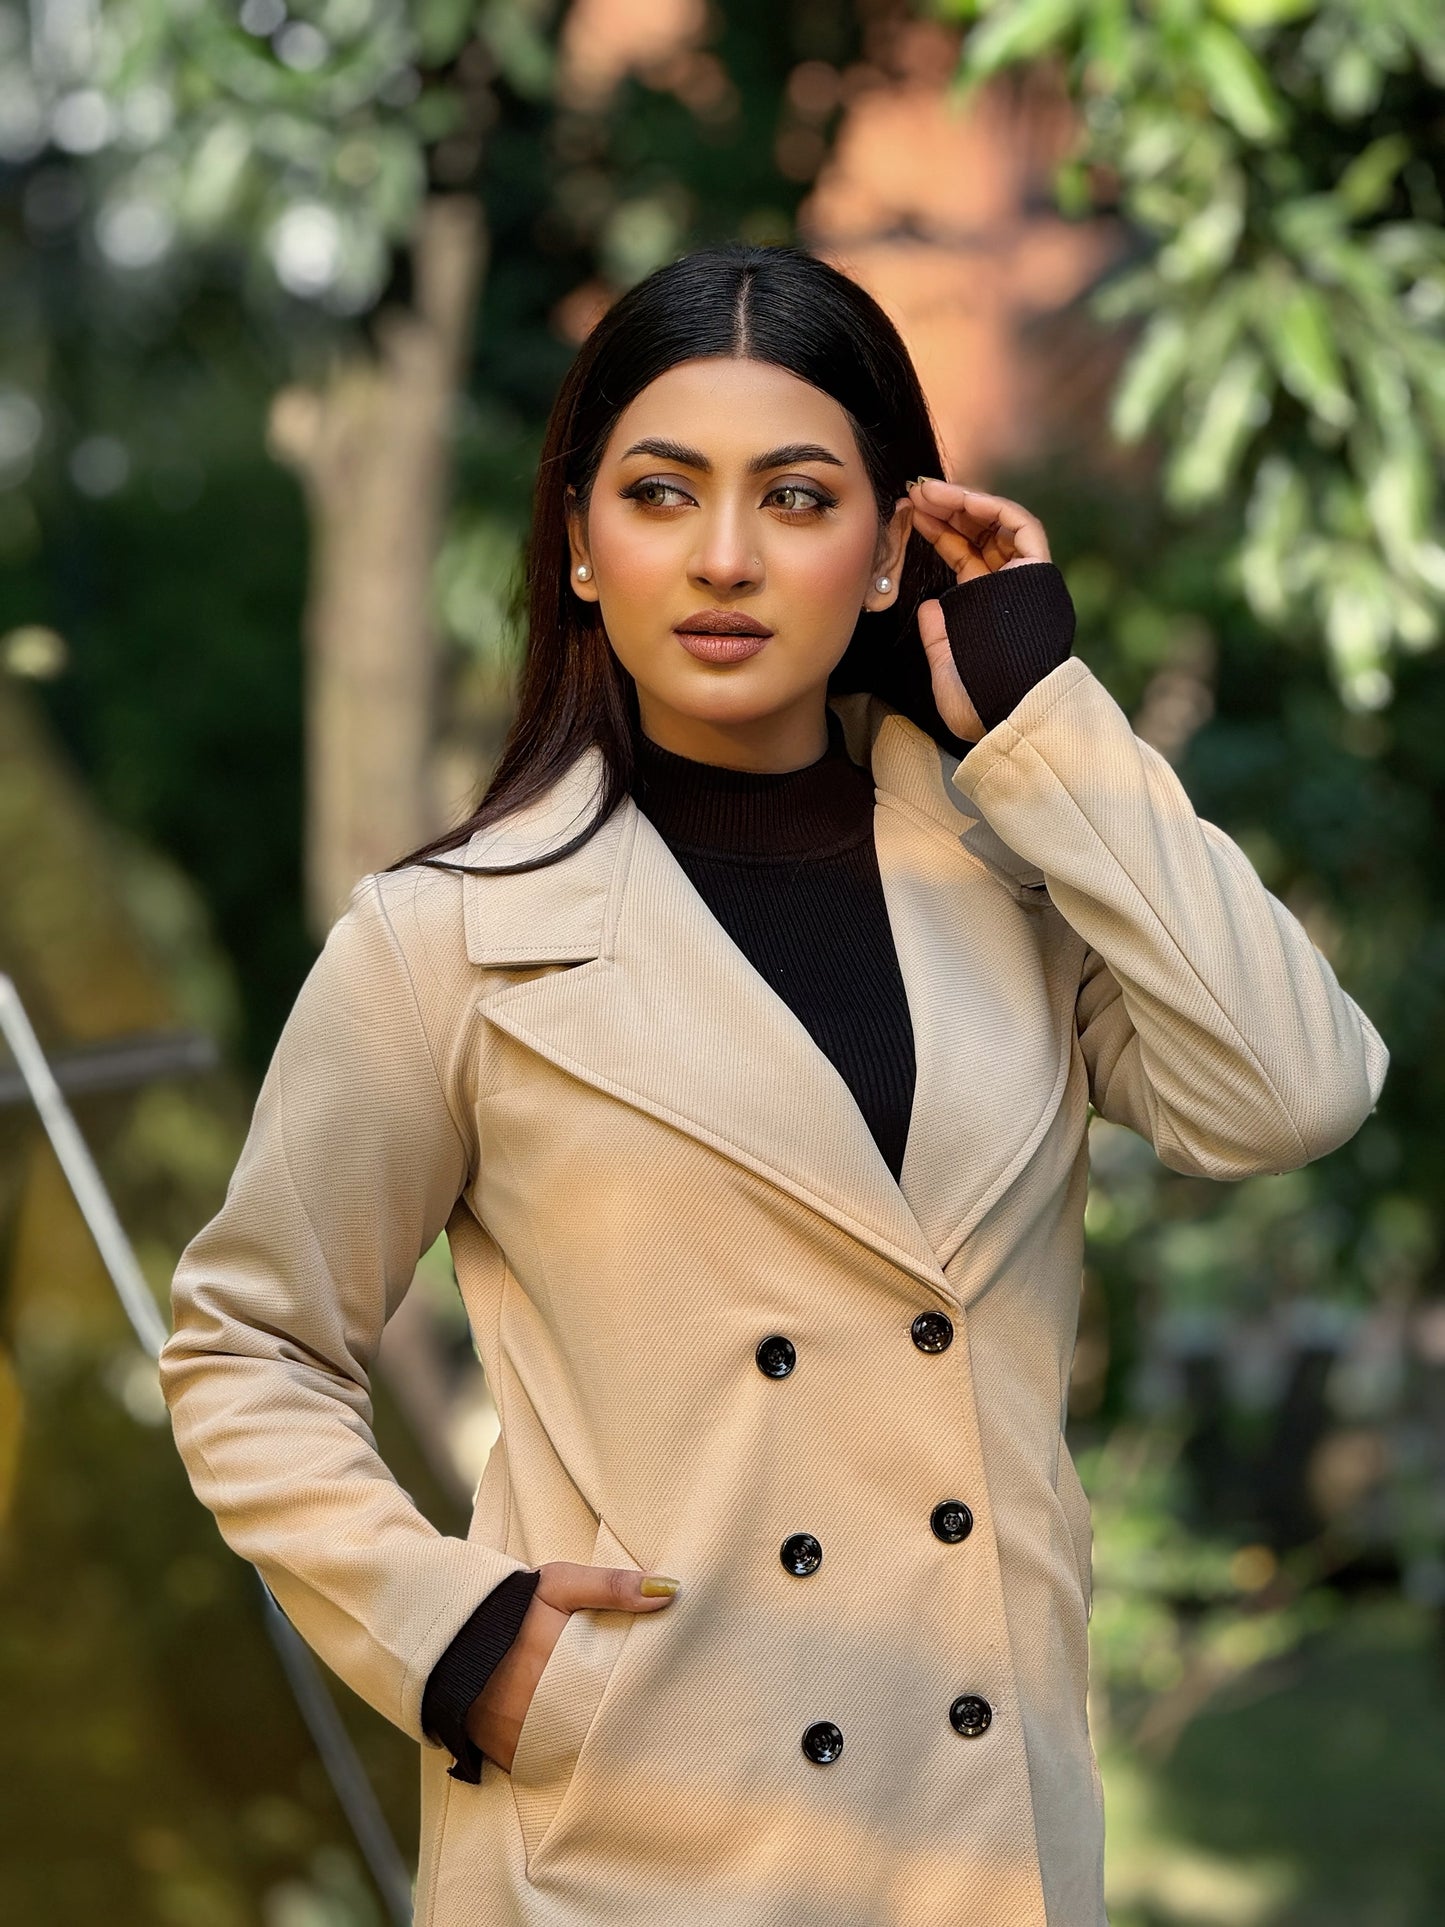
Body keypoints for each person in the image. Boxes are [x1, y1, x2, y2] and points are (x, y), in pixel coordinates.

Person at [158, 243, 1388, 1927]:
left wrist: (1045, 711)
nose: (724, 558)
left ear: (889, 552)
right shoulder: (450, 940)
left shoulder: (1020, 873)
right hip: (649, 1833)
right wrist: (450, 1642)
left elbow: (1292, 1091)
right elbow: (248, 1344)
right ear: (582, 542)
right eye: (661, 494)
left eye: (797, 499)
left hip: (983, 1838)